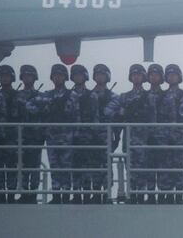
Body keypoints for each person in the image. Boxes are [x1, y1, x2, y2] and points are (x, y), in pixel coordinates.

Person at [104, 64, 157, 204]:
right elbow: (108, 111)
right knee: (131, 169)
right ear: (130, 77)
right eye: (134, 74)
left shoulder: (150, 97)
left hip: (145, 139)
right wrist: (122, 113)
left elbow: (154, 118)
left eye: (139, 74)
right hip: (130, 139)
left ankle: (142, 196)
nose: (136, 77)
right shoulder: (124, 97)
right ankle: (133, 195)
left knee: (145, 169)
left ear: (143, 77)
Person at [27, 63, 78, 204]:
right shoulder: (46, 96)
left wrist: (76, 133)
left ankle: (66, 194)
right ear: (52, 77)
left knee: (67, 166)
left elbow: (76, 115)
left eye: (60, 75)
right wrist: (44, 110)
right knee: (54, 166)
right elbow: (29, 105)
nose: (57, 77)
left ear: (65, 77)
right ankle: (56, 194)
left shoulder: (72, 95)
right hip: (51, 136)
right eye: (55, 75)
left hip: (67, 136)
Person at [157, 64, 183, 204]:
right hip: (163, 138)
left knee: (178, 167)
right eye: (169, 75)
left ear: (179, 77)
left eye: (174, 75)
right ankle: (165, 193)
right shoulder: (160, 95)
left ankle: (178, 195)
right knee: (164, 167)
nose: (172, 77)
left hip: (179, 138)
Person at [70, 65, 99, 204]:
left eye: (80, 75)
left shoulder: (91, 95)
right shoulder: (67, 95)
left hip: (87, 136)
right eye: (75, 75)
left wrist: (94, 133)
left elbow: (95, 116)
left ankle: (87, 193)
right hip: (71, 136)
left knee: (87, 167)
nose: (78, 77)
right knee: (74, 166)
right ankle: (76, 194)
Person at [90, 64, 119, 203]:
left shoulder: (113, 97)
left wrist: (116, 138)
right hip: (89, 136)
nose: (99, 76)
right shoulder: (87, 95)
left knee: (106, 165)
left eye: (102, 74)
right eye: (97, 74)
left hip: (105, 136)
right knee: (93, 165)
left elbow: (111, 114)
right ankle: (95, 194)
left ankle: (107, 194)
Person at [15, 65, 44, 204]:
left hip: (36, 136)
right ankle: (24, 192)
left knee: (35, 165)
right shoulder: (16, 95)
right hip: (20, 136)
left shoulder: (40, 96)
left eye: (30, 75)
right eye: (25, 75)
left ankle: (33, 192)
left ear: (34, 77)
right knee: (22, 165)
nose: (27, 78)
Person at [0, 65, 19, 203]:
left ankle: (10, 195)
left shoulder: (19, 96)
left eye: (7, 76)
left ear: (12, 77)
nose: (5, 78)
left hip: (13, 136)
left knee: (11, 167)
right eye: (2, 76)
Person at [142, 63, 166, 204]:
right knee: (148, 168)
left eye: (156, 74)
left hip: (163, 139)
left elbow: (172, 119)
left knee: (163, 169)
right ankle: (150, 195)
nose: (153, 76)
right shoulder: (142, 96)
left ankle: (162, 196)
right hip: (146, 138)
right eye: (151, 74)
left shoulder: (167, 96)